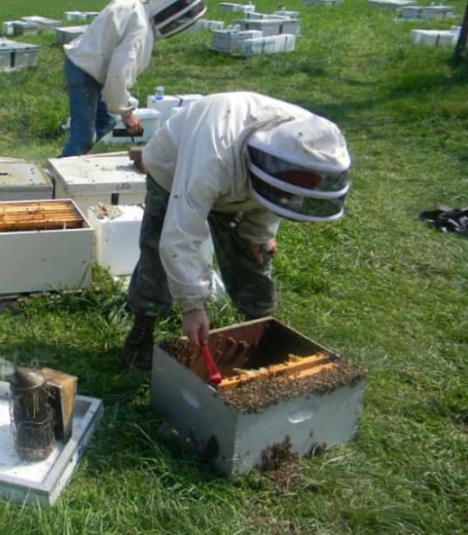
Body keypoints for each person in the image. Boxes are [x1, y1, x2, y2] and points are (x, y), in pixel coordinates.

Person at [121, 91, 351, 370]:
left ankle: (265, 337)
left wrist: (259, 234)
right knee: (158, 255)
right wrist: (193, 307)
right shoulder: (212, 159)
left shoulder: (306, 140)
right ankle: (142, 333)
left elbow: (282, 194)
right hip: (173, 169)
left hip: (237, 178)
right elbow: (180, 235)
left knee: (255, 257)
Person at [59, 0, 206, 157]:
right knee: (83, 138)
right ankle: (58, 177)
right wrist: (127, 114)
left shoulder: (134, 4)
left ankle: (73, 160)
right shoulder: (141, 29)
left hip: (83, 65)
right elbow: (119, 75)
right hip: (85, 71)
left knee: (107, 120)